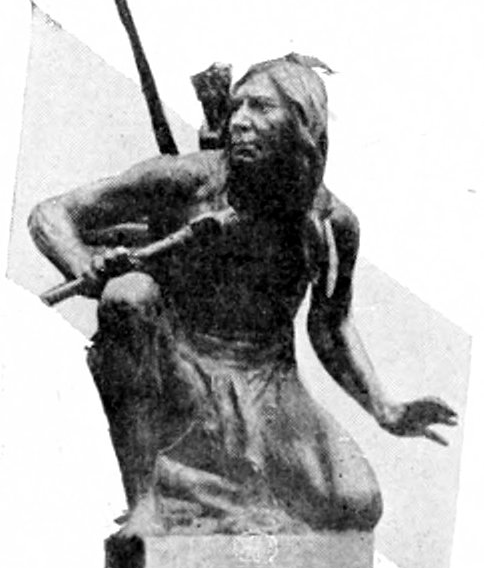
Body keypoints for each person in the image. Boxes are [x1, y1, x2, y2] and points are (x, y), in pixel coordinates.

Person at [28, 54, 457, 537]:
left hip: (268, 383)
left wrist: (385, 408)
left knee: (356, 505)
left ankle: (200, 480)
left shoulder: (330, 223)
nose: (239, 121)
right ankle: (146, 501)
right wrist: (82, 264)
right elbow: (51, 213)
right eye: (236, 107)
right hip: (179, 367)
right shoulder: (189, 181)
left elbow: (330, 323)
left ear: (303, 123)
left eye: (261, 107)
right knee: (128, 295)